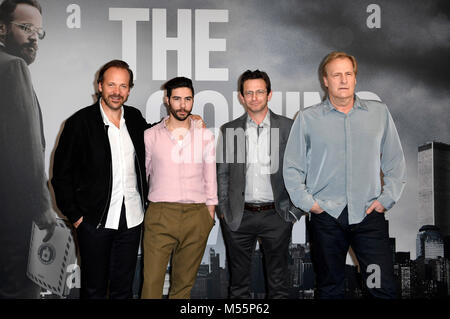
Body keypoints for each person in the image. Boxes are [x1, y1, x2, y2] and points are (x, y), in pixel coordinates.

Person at [283, 51, 407, 299]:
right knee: (330, 289)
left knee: (382, 289)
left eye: (348, 74)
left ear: (355, 78)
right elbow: (292, 167)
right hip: (326, 218)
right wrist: (311, 205)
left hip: (368, 217)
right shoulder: (308, 119)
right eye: (336, 75)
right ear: (325, 80)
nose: (343, 80)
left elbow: (394, 161)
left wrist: (386, 199)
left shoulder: (378, 113)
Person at [51, 60, 150, 299]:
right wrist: (76, 217)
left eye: (123, 86)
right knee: (93, 291)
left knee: (123, 290)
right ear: (100, 86)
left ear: (129, 89)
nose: (117, 92)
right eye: (111, 85)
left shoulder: (135, 119)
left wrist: (186, 121)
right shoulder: (79, 123)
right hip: (94, 223)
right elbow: (61, 175)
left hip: (132, 219)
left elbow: (157, 137)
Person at [216, 70, 303, 299]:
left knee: (279, 286)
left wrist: (294, 212)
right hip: (239, 216)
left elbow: (303, 171)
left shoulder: (287, 127)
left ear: (269, 94)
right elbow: (223, 173)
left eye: (260, 92)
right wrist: (224, 211)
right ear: (241, 97)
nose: (255, 97)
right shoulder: (230, 129)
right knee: (238, 286)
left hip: (277, 215)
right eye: (249, 93)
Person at [141, 77, 217, 299]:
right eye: (177, 99)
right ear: (167, 100)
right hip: (160, 213)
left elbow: (210, 176)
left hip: (197, 215)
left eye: (187, 99)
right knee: (151, 285)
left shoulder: (205, 136)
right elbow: (143, 173)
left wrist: (209, 215)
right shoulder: (150, 135)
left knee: (183, 288)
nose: (183, 105)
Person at [0, 0, 56, 299]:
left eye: (38, 31)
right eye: (25, 28)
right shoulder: (13, 67)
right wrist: (43, 208)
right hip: (15, 221)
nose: (34, 36)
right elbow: (27, 149)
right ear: (2, 28)